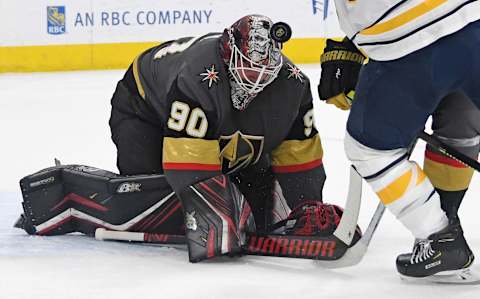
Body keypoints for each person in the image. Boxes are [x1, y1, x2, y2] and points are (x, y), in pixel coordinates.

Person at [16, 15, 329, 263]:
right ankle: (68, 196)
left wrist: (308, 206)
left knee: (251, 189)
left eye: (264, 73)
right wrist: (215, 217)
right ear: (227, 53)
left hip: (213, 120)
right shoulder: (196, 75)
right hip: (144, 109)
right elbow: (187, 162)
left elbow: (299, 153)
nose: (255, 81)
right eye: (246, 69)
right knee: (151, 197)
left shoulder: (292, 83)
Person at [318, 1, 480, 279]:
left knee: (370, 149)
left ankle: (440, 236)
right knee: (461, 121)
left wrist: (352, 44)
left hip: (405, 44)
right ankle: (446, 218)